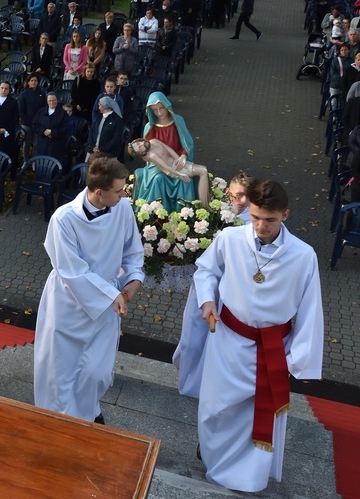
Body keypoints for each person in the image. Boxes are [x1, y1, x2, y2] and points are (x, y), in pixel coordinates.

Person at [195, 179, 324, 492]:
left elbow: (310, 310)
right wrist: (207, 299)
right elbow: (206, 270)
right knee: (216, 409)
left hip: (270, 348)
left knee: (258, 413)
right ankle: (214, 457)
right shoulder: (230, 238)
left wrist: (297, 358)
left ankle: (248, 476)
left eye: (270, 219)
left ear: (285, 215)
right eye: (254, 217)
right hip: (227, 339)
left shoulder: (304, 256)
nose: (260, 226)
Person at [34, 156, 144, 423]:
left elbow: (132, 251)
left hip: (107, 301)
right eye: (118, 190)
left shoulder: (123, 208)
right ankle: (57, 421)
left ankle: (87, 411)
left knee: (97, 372)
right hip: (67, 302)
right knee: (59, 371)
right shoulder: (64, 219)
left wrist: (134, 280)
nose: (123, 194)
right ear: (99, 192)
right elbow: (73, 271)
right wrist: (113, 294)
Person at [173, 173, 254, 399]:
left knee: (216, 343)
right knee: (192, 338)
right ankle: (187, 380)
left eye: (247, 197)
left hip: (231, 289)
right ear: (228, 191)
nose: (242, 202)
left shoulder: (252, 222)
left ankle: (203, 387)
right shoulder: (213, 209)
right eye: (238, 196)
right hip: (205, 283)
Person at [133, 92, 196, 212]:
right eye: (155, 110)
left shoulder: (178, 121)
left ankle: (183, 213)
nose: (159, 113)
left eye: (161, 108)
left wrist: (183, 155)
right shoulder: (149, 127)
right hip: (157, 163)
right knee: (158, 178)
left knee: (184, 178)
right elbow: (145, 153)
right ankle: (156, 213)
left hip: (177, 158)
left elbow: (187, 142)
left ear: (167, 106)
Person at [127, 138, 209, 207]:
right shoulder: (152, 155)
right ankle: (204, 205)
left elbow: (169, 150)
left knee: (203, 170)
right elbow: (166, 167)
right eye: (140, 148)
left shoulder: (154, 141)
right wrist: (179, 175)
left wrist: (178, 159)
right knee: (203, 171)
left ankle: (204, 203)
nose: (141, 145)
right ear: (142, 152)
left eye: (138, 144)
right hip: (173, 170)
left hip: (176, 163)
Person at [32, 92, 69, 167]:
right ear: (47, 101)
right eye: (50, 100)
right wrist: (43, 131)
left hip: (56, 145)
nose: (52, 102)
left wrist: (52, 132)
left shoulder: (63, 114)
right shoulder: (41, 111)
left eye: (54, 100)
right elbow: (34, 124)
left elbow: (65, 128)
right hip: (42, 143)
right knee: (42, 164)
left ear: (57, 100)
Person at [19, 73, 48, 162]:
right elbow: (21, 110)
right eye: (32, 80)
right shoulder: (24, 94)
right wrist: (28, 121)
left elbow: (44, 108)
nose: (34, 82)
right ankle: (26, 161)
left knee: (36, 144)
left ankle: (35, 161)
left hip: (38, 124)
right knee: (26, 144)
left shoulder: (42, 94)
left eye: (35, 81)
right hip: (27, 123)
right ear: (28, 82)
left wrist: (39, 121)